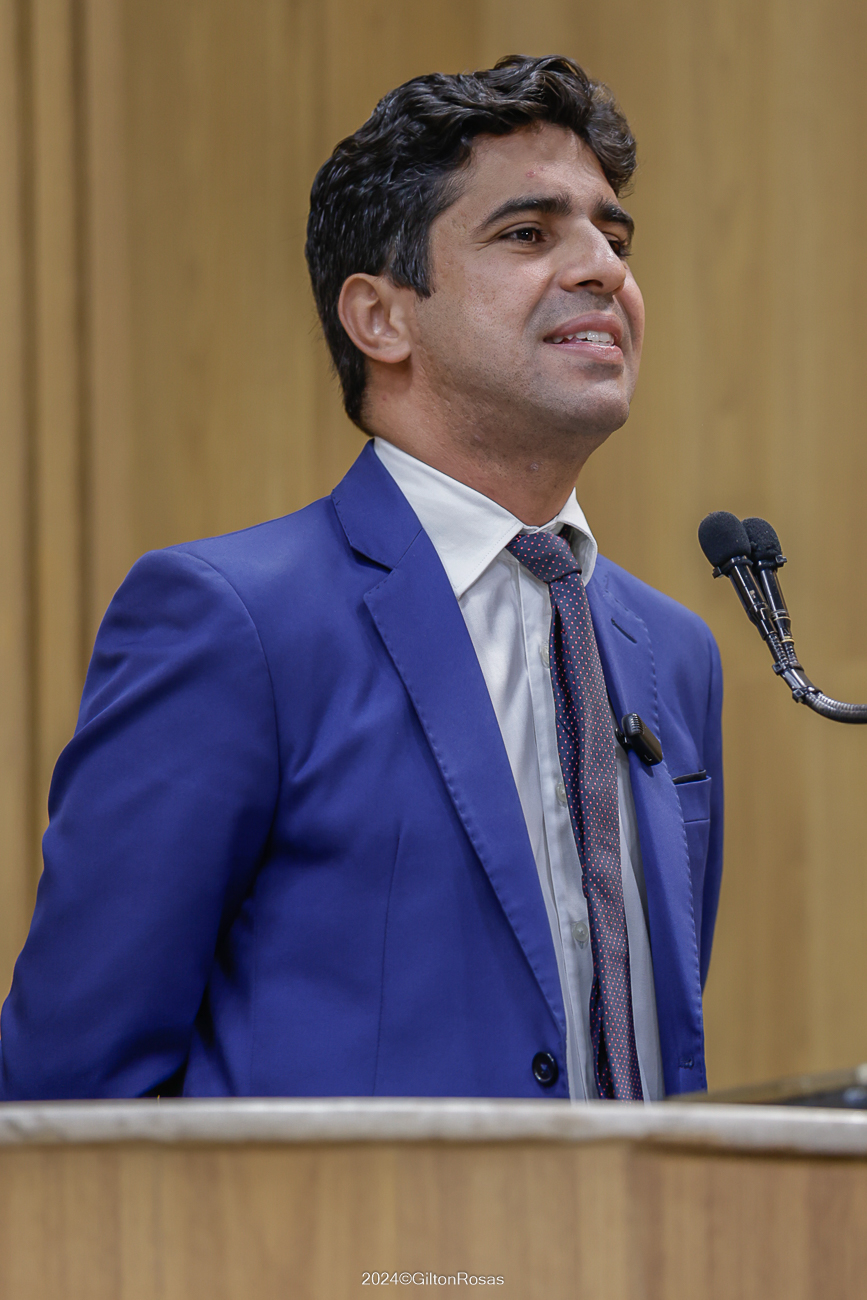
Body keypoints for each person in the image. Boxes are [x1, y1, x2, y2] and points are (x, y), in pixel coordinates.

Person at [0, 55, 722, 1102]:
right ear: (380, 318)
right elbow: (69, 1090)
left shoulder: (673, 655)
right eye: (528, 234)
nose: (603, 270)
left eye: (614, 238)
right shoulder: (235, 624)